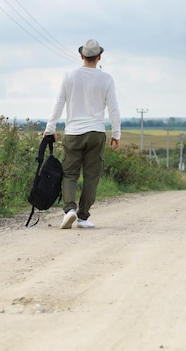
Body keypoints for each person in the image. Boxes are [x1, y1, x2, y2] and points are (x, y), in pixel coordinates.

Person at [44, 39, 121, 229]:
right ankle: (83, 216)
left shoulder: (69, 76)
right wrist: (116, 134)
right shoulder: (106, 79)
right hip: (96, 133)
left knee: (69, 174)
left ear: (81, 56)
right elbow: (113, 109)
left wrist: (50, 129)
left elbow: (59, 103)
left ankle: (69, 209)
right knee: (91, 176)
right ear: (99, 57)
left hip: (73, 133)